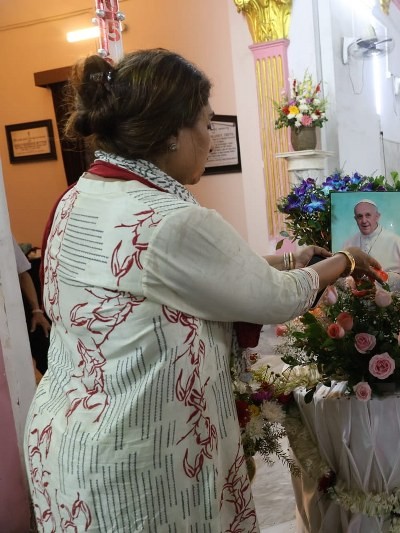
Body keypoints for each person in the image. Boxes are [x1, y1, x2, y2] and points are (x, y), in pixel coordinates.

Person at [24, 49, 381, 532]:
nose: (211, 138)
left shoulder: (84, 194)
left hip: (69, 439)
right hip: (141, 457)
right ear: (171, 134)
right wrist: (345, 261)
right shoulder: (173, 219)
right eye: (206, 124)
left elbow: (167, 276)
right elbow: (276, 298)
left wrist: (291, 258)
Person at [342, 199, 400, 273]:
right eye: (359, 216)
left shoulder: (397, 242)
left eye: (368, 215)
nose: (364, 221)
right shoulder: (348, 245)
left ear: (377, 216)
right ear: (355, 219)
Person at [13, 238, 50, 381]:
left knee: (47, 355)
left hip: (20, 310)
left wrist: (37, 311)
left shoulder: (4, 236)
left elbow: (23, 273)